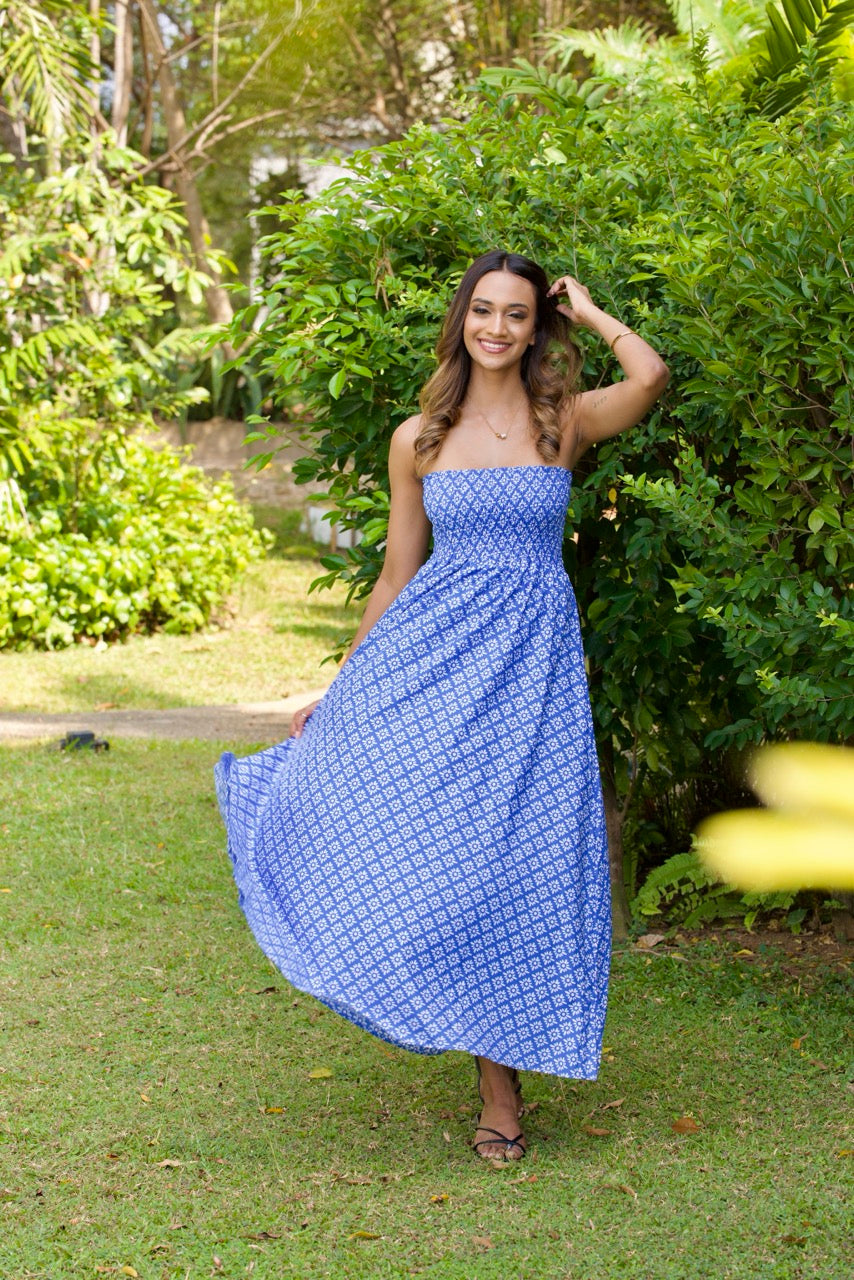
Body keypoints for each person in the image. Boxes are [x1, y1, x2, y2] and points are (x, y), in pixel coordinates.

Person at [215, 249, 669, 1162]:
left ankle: (503, 1087)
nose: (496, 329)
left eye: (516, 314)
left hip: (533, 676)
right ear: (461, 321)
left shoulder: (562, 422)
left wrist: (586, 309)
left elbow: (650, 376)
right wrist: (340, 689)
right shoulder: (418, 436)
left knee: (520, 865)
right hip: (436, 665)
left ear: (535, 328)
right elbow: (394, 575)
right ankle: (490, 1078)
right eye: (482, 312)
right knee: (442, 861)